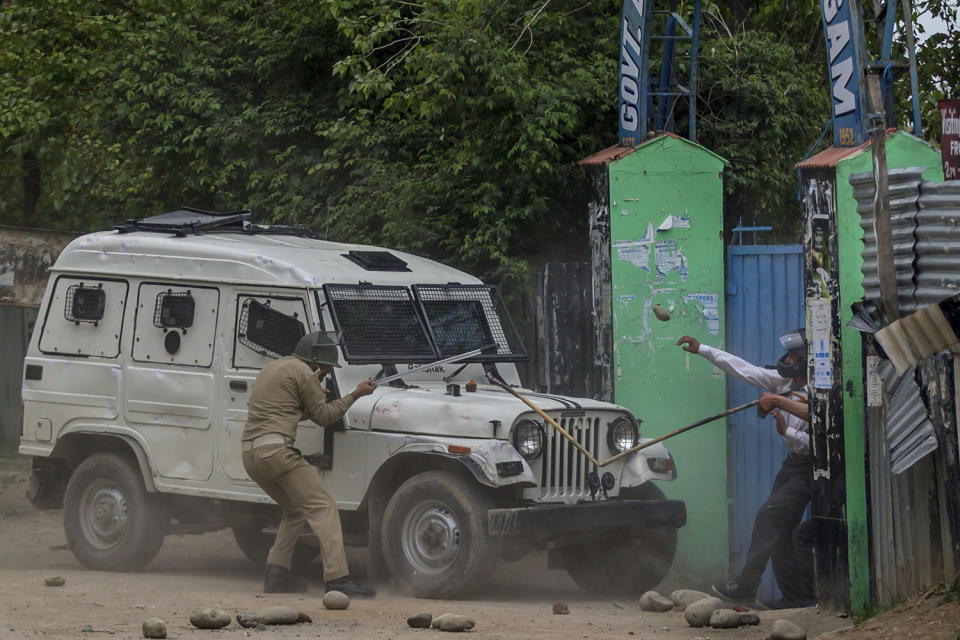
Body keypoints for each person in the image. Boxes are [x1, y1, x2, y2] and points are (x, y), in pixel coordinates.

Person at [676, 329, 815, 609]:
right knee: (780, 530)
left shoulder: (820, 391)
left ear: (806, 361)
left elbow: (815, 432)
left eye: (793, 355)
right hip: (793, 464)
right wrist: (702, 349)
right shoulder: (785, 381)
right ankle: (797, 597)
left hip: (812, 469)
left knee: (768, 518)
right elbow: (743, 369)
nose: (787, 359)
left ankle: (746, 585)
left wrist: (784, 423)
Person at [242, 331, 377, 597]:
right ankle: (338, 579)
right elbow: (324, 417)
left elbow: (281, 409)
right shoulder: (304, 374)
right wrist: (356, 394)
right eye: (326, 366)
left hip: (251, 454)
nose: (327, 372)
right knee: (323, 506)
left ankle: (277, 575)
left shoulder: (271, 368)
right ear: (314, 361)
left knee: (294, 510)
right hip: (277, 452)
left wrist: (309, 400)